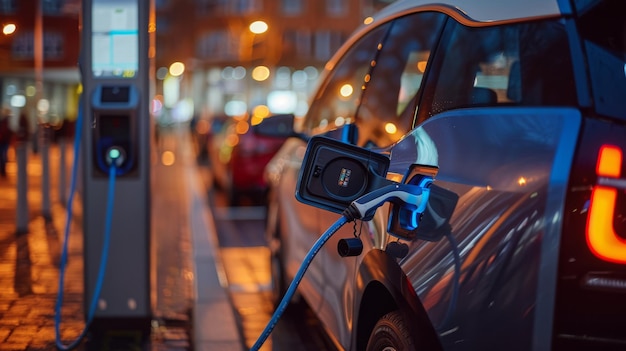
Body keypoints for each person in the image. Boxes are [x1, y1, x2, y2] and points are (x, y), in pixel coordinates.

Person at [0, 108, 13, 177]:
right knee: (3, 155)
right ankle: (3, 170)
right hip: (4, 141)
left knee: (3, 155)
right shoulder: (6, 121)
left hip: (3, 141)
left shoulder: (4, 121)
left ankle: (3, 170)